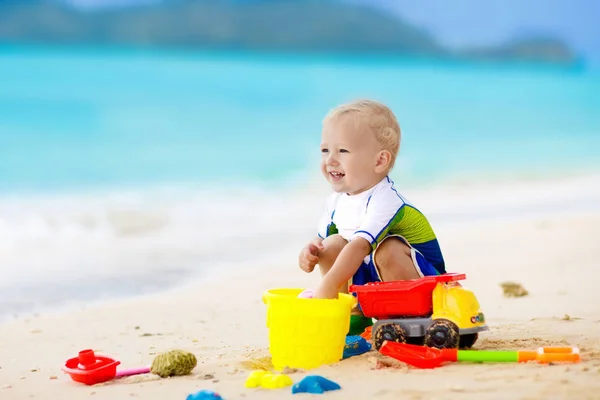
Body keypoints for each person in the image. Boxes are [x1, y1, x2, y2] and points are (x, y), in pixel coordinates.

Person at [298, 99, 446, 335]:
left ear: (380, 161)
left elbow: (359, 247)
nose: (330, 160)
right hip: (374, 282)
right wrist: (311, 251)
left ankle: (408, 317)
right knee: (331, 244)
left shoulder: (386, 200)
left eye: (343, 151)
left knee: (387, 249)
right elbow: (325, 242)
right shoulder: (335, 201)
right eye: (325, 150)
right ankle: (352, 314)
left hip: (422, 284)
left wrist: (325, 286)